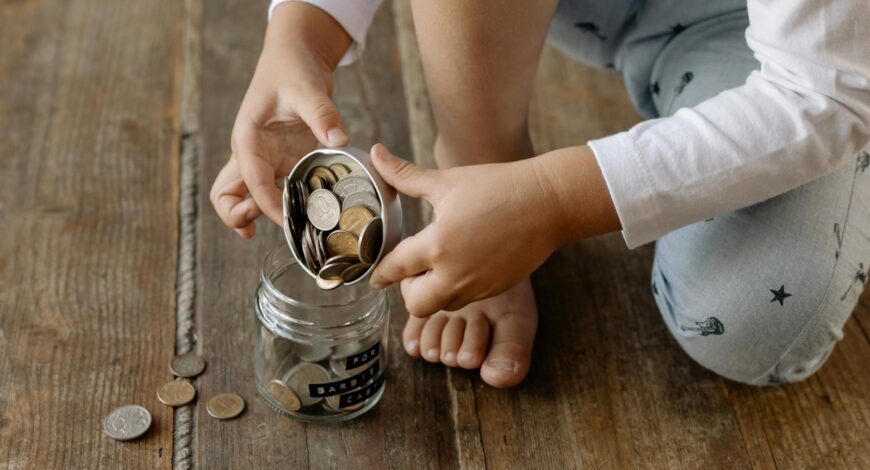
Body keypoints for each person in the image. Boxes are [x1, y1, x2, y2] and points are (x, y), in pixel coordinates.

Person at [210, 0, 870, 388]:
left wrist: (553, 200)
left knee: (753, 320)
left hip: (781, 43)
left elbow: (824, 91)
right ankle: (480, 160)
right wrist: (304, 29)